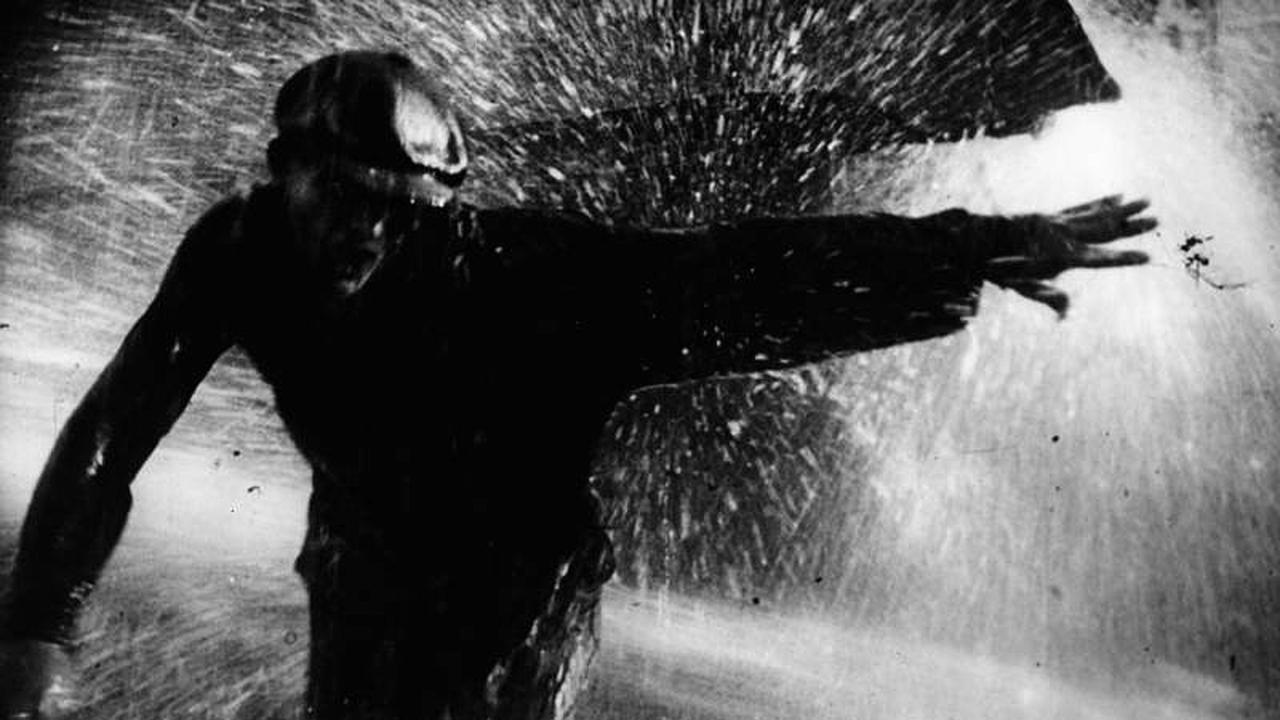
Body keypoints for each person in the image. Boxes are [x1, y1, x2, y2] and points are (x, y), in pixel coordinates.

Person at [0, 50, 1155, 720]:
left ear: (435, 212)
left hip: (520, 585)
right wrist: (40, 621)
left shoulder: (520, 278)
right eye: (338, 197)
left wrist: (970, 248)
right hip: (361, 552)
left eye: (395, 211)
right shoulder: (236, 251)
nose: (363, 231)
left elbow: (740, 278)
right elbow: (115, 425)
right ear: (280, 174)